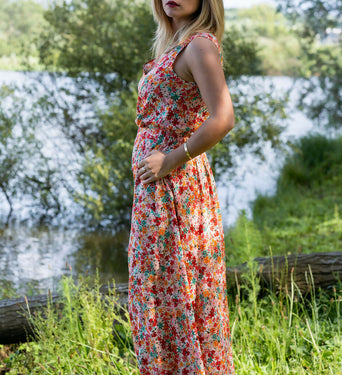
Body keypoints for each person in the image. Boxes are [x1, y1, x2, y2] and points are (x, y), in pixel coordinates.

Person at [127, 0, 235, 373]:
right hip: (156, 191)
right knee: (158, 289)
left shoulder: (199, 45)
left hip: (175, 188)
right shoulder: (174, 45)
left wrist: (171, 158)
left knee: (173, 289)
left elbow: (223, 117)